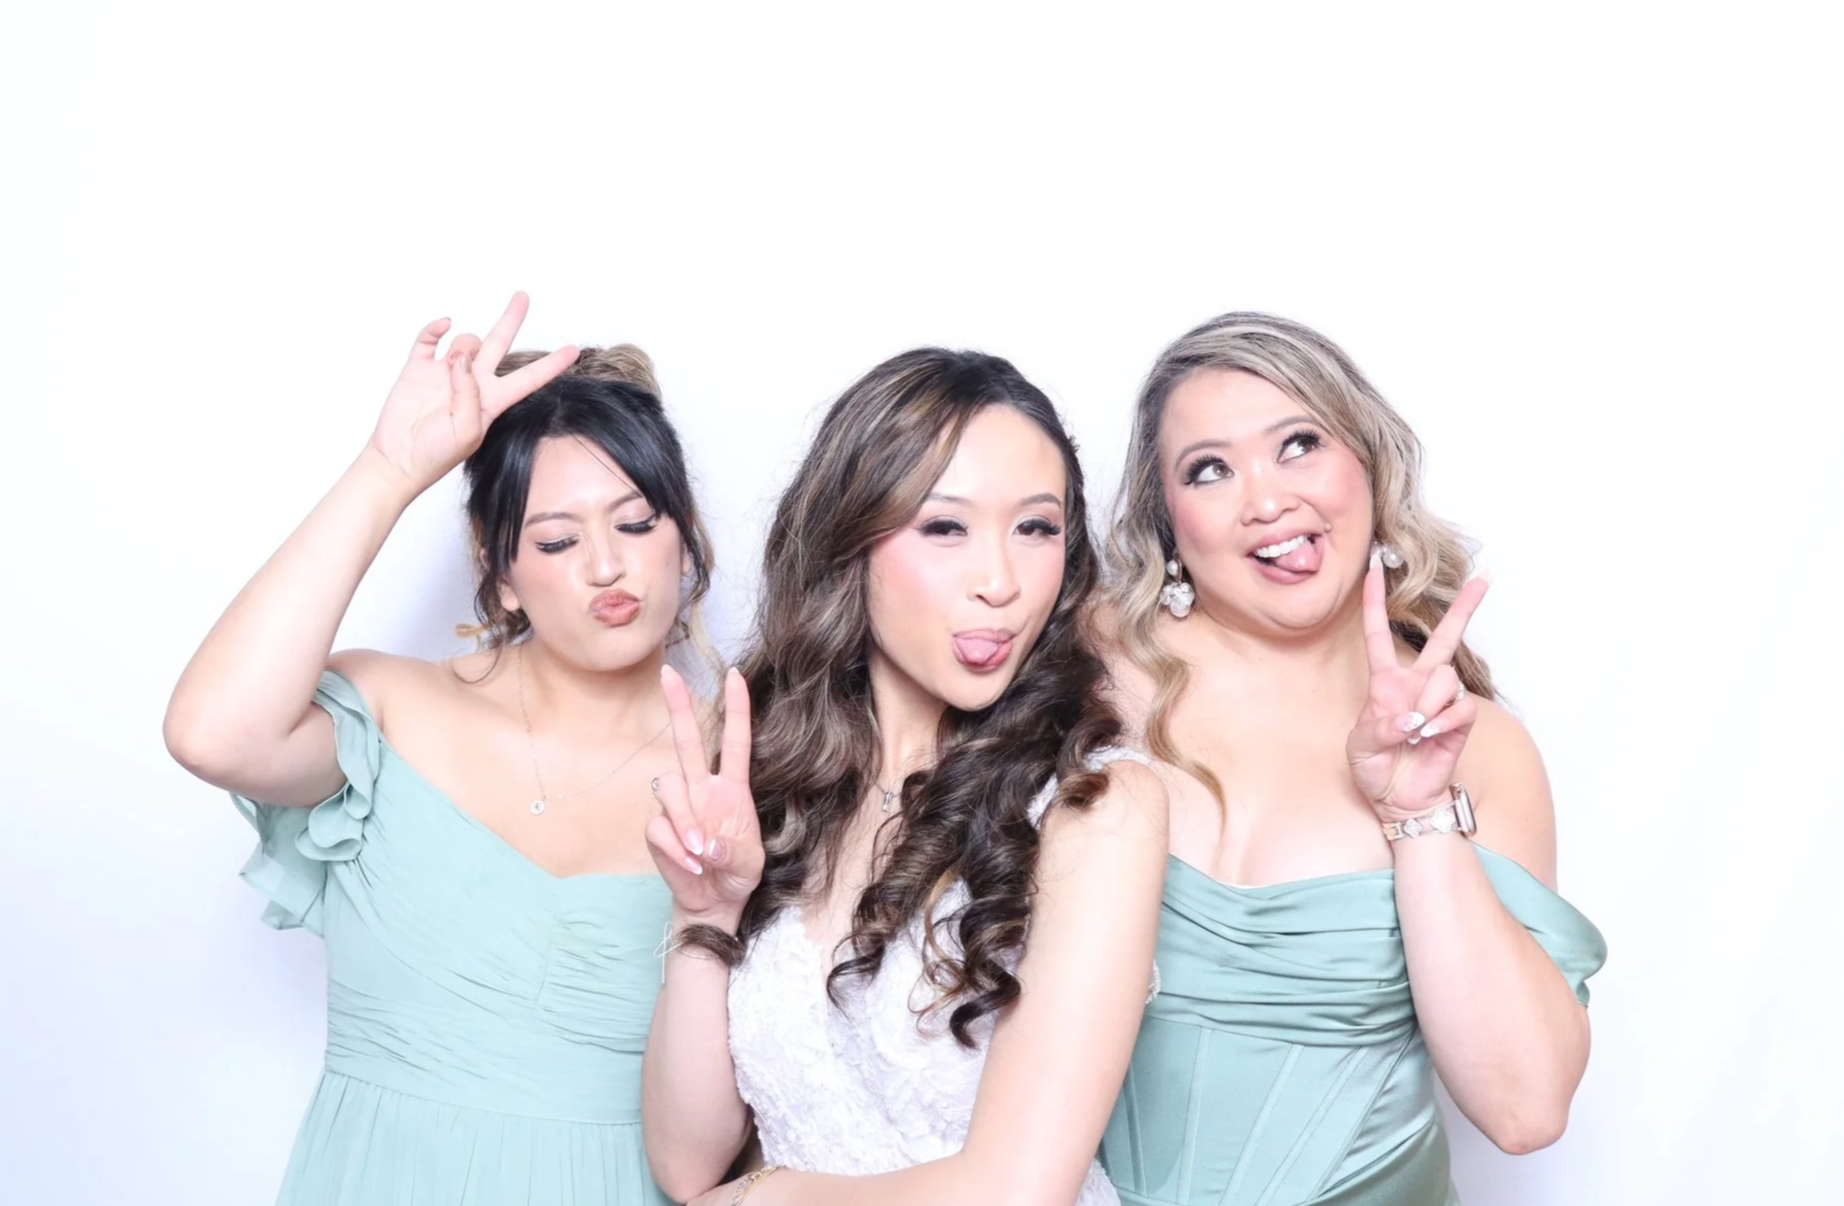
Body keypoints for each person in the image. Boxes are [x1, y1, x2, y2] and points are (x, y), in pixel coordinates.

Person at [163, 294, 714, 1205]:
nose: (606, 566)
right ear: (500, 569)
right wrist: (387, 469)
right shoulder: (393, 712)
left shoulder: (745, 766)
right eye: (556, 538)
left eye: (638, 520)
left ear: (683, 536)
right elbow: (213, 733)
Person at [1094, 313, 1607, 1206]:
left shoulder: (1476, 745)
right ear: (1166, 522)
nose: (1264, 499)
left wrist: (1417, 813)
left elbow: (1524, 1107)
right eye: (1207, 468)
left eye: (1297, 444)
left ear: (1367, 466)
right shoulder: (1085, 678)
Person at [638, 349, 1169, 1206]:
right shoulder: (775, 779)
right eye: (945, 527)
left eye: (1036, 527)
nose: (1000, 582)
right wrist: (703, 913)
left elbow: (1017, 1189)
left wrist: (759, 1200)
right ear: (850, 541)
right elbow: (686, 1163)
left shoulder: (1094, 804)